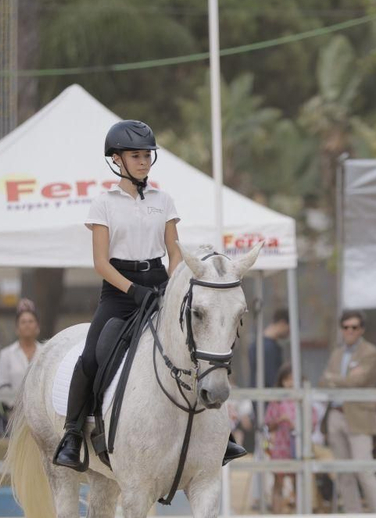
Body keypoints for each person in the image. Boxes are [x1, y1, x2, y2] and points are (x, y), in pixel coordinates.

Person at [52, 120, 245, 469]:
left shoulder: (163, 200)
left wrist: (171, 287)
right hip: (118, 290)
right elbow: (100, 262)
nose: (143, 162)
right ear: (117, 159)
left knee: (195, 345)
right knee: (92, 356)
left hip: (158, 282)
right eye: (135, 156)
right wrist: (133, 290)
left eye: (146, 156)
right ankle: (72, 433)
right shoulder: (103, 204)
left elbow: (174, 253)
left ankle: (222, 435)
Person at [318, 309, 376, 514]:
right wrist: (343, 379)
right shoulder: (337, 353)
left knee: (364, 469)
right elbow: (323, 381)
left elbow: (357, 381)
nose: (349, 331)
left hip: (359, 416)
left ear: (361, 329)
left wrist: (335, 379)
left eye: (354, 327)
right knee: (343, 472)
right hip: (335, 414)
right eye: (345, 327)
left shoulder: (370, 352)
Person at [261, 365, 299, 513]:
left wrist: (292, 423)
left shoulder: (300, 400)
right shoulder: (276, 402)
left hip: (296, 446)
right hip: (280, 446)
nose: (290, 383)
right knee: (278, 481)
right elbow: (267, 425)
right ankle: (276, 514)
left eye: (293, 379)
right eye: (287, 380)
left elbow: (310, 424)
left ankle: (298, 513)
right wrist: (279, 421)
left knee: (298, 481)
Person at [0, 300, 41, 402]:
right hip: (13, 408)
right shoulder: (6, 354)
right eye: (23, 322)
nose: (27, 325)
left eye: (31, 321)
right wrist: (15, 405)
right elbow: (3, 385)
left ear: (37, 327)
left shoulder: (45, 353)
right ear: (17, 328)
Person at [247, 308, 289, 389]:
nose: (288, 333)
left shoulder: (255, 345)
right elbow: (273, 380)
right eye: (289, 329)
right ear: (282, 323)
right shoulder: (270, 348)